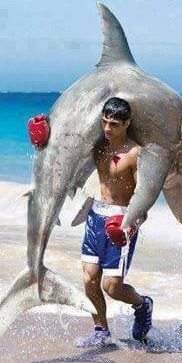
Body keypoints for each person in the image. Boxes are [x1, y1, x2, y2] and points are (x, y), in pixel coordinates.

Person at [77, 97, 153, 347]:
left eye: (115, 124)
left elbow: (145, 196)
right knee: (89, 279)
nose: (108, 128)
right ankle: (101, 330)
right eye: (105, 122)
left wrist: (132, 224)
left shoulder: (135, 154)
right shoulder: (99, 146)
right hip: (95, 216)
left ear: (127, 123)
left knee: (112, 287)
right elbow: (68, 148)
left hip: (121, 221)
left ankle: (142, 305)